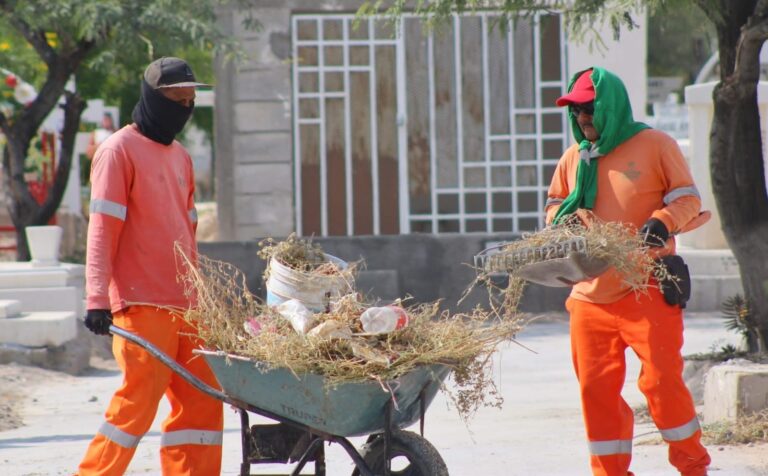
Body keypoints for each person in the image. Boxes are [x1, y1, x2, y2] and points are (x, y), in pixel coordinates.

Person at [545, 67, 711, 476]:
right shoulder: (574, 157)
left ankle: (692, 467)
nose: (582, 118)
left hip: (647, 286)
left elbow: (687, 199)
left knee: (662, 383)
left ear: (610, 106)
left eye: (589, 108)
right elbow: (555, 204)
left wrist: (662, 221)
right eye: (576, 111)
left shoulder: (655, 145)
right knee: (596, 392)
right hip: (589, 298)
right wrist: (560, 222)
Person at [78, 57, 223, 475]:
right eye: (178, 100)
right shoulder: (117, 151)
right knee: (137, 404)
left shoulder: (181, 157)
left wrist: (202, 297)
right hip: (141, 304)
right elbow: (102, 230)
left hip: (187, 307)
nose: (185, 109)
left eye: (190, 101)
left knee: (203, 402)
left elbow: (188, 232)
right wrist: (96, 299)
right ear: (153, 99)